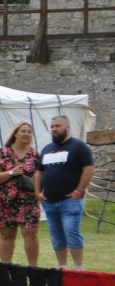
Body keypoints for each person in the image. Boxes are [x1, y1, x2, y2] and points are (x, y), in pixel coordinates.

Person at [36, 115, 95, 270]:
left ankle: (77, 267)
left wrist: (79, 191)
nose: (54, 129)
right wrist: (37, 191)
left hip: (70, 201)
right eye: (52, 126)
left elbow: (88, 169)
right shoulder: (47, 149)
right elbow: (39, 172)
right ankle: (62, 266)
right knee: (56, 236)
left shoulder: (79, 147)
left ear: (67, 127)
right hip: (50, 202)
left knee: (71, 233)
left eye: (58, 126)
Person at [0, 121, 41, 266]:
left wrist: (37, 190)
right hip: (5, 200)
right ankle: (6, 268)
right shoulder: (4, 152)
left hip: (28, 200)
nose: (26, 134)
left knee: (30, 233)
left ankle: (33, 268)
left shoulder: (35, 155)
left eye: (29, 132)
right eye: (23, 131)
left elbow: (42, 176)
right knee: (7, 235)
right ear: (15, 134)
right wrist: (12, 172)